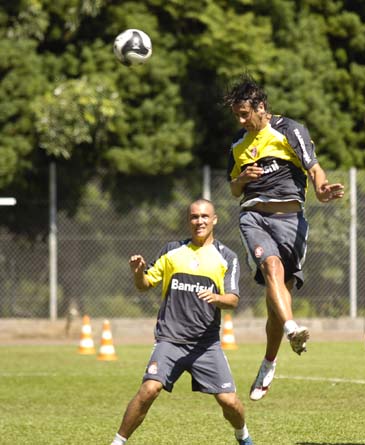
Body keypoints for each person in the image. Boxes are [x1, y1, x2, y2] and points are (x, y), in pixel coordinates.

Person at [223, 74, 344, 401]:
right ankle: (292, 329)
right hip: (254, 216)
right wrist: (242, 178)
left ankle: (269, 361)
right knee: (272, 268)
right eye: (236, 115)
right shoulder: (238, 143)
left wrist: (322, 189)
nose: (240, 121)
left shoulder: (289, 129)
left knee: (279, 296)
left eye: (244, 114)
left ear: (261, 107)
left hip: (290, 220)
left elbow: (314, 168)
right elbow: (233, 188)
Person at [110, 199, 254, 445]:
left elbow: (233, 299)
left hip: (205, 345)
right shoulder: (172, 251)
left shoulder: (226, 257)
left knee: (229, 402)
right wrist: (138, 272)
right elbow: (144, 285)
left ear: (215, 219)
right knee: (149, 390)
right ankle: (117, 443)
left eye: (204, 216)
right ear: (189, 221)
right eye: (194, 217)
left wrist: (217, 298)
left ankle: (243, 437)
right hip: (170, 340)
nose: (199, 221)